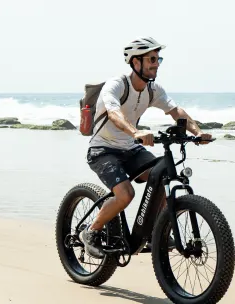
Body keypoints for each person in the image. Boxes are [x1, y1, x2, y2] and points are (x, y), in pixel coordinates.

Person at [80, 38, 211, 257]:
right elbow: (114, 114)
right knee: (125, 195)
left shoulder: (152, 90)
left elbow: (176, 111)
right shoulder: (117, 85)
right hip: (102, 150)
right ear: (135, 62)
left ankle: (153, 232)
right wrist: (136, 133)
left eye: (158, 59)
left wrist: (197, 132)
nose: (156, 64)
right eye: (151, 59)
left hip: (130, 149)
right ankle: (91, 231)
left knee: (162, 176)